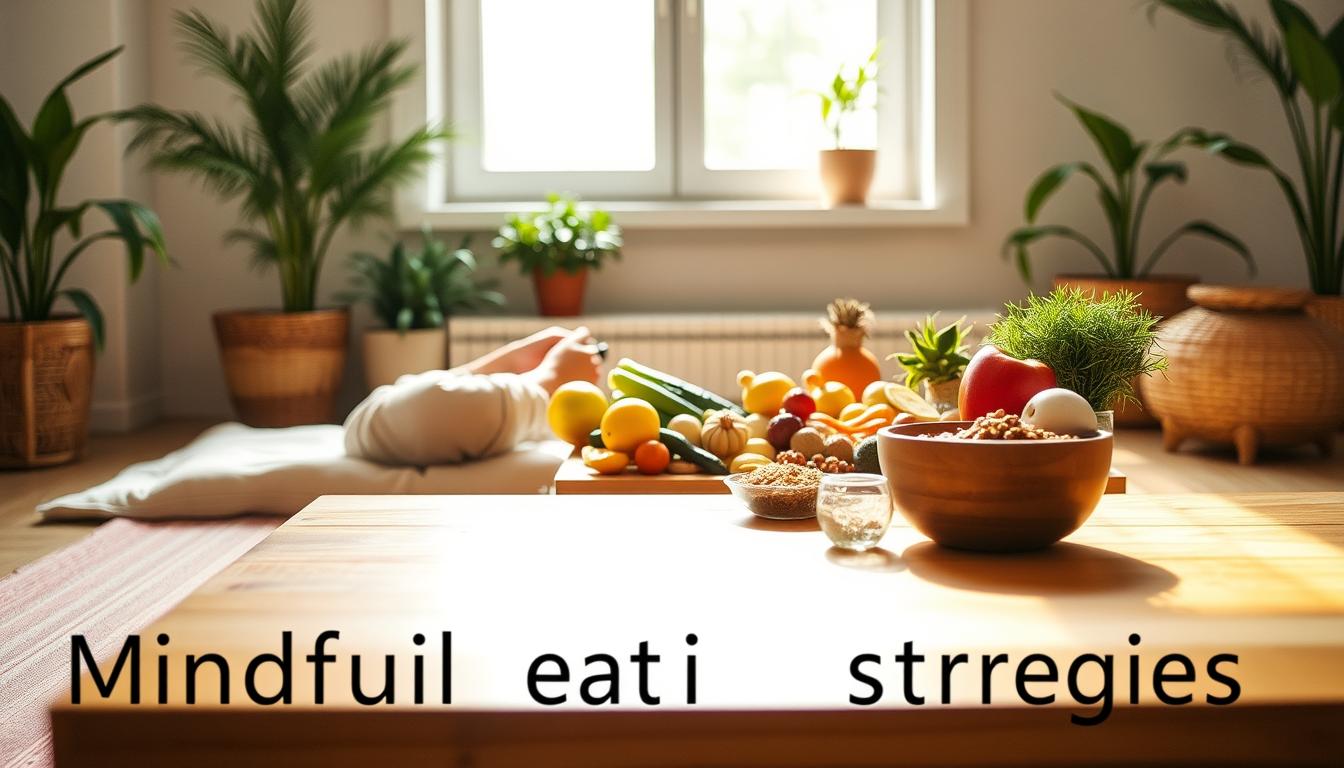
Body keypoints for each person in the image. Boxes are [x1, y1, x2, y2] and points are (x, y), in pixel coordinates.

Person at [344, 326, 601, 466]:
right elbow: (403, 410)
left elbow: (381, 415)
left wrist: (534, 374)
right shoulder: (394, 420)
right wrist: (544, 377)